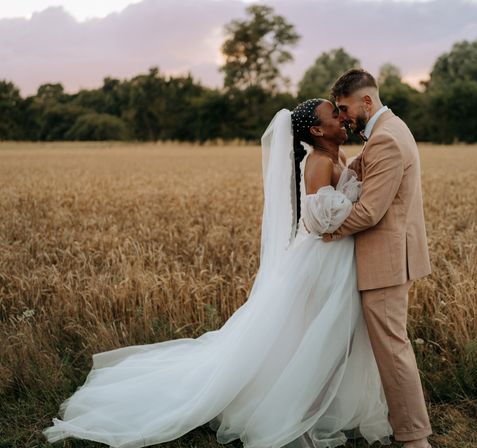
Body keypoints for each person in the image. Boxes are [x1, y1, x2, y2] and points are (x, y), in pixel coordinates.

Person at [42, 99, 393, 448]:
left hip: (339, 258)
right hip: (321, 260)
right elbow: (318, 220)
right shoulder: (317, 163)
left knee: (331, 337)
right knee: (311, 337)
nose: (343, 119)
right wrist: (356, 210)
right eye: (335, 115)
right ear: (317, 130)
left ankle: (320, 406)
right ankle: (295, 412)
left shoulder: (340, 158)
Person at [323, 69, 433, 448]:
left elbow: (370, 211)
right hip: (388, 257)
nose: (343, 117)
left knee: (392, 349)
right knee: (388, 346)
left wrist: (326, 231)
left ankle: (415, 438)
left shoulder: (386, 138)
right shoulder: (388, 131)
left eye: (345, 108)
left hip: (386, 261)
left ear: (366, 101)